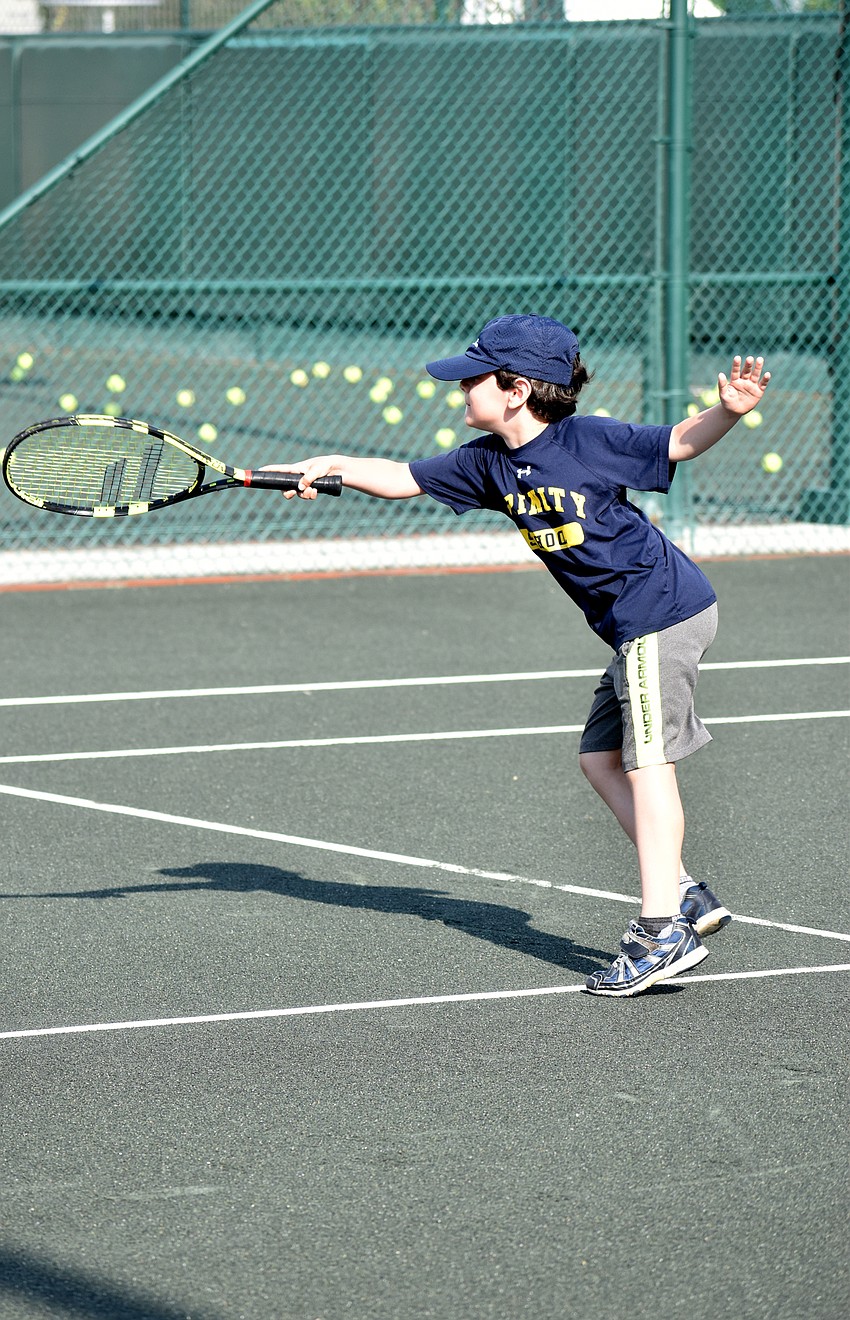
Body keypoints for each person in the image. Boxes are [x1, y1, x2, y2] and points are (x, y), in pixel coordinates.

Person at [267, 314, 770, 997]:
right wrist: (331, 466)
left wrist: (728, 412)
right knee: (600, 759)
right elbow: (401, 478)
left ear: (515, 389)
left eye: (471, 379)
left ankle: (661, 933)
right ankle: (684, 892)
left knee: (649, 763)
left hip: (663, 610)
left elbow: (678, 441)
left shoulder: (586, 440)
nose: (459, 390)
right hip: (631, 626)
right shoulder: (486, 463)